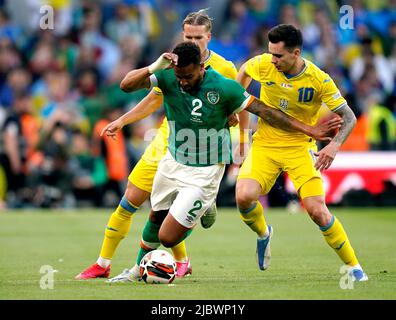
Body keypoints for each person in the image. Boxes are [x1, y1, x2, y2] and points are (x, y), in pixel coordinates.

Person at [97, 41, 342, 283]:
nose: (183, 81)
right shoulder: (169, 75)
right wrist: (153, 67)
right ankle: (137, 271)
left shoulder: (225, 87)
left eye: (188, 76)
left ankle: (201, 206)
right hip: (172, 162)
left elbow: (266, 111)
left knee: (168, 237)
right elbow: (125, 86)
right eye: (179, 76)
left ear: (201, 66)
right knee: (154, 220)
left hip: (205, 172)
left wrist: (309, 130)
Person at [75, 10, 250, 280]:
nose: (193, 42)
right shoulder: (172, 63)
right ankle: (103, 262)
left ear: (209, 37)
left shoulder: (225, 68)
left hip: (202, 150)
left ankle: (180, 254)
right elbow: (155, 98)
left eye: (198, 37)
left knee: (168, 215)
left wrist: (241, 140)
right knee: (132, 200)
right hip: (166, 140)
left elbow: (237, 105)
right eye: (188, 36)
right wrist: (122, 120)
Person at [235, 24, 368, 281]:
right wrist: (235, 100)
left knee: (317, 210)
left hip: (300, 147)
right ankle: (264, 234)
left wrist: (334, 145)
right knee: (243, 197)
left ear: (296, 53)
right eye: (270, 53)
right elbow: (243, 72)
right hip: (265, 144)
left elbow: (348, 116)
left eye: (278, 56)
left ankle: (354, 267)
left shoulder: (318, 79)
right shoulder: (263, 64)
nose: (272, 60)